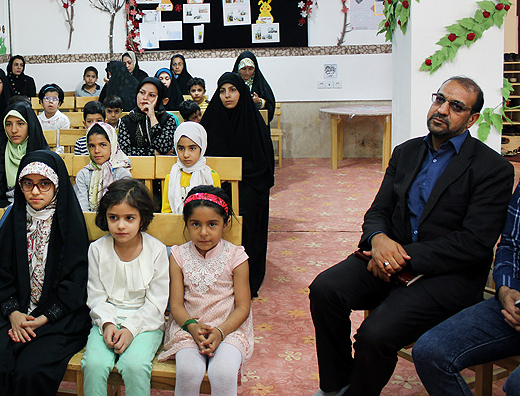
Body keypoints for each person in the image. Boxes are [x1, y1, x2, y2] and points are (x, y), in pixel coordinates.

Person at [307, 76, 514, 396]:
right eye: (439, 99)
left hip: (447, 276)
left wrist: (400, 256)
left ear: (472, 119)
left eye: (456, 106)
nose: (442, 109)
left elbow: (474, 242)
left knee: (375, 335)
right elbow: (378, 211)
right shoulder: (406, 152)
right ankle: (336, 387)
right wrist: (378, 239)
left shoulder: (492, 168)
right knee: (325, 290)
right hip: (388, 256)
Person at [0, 150, 90, 396]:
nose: (35, 191)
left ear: (57, 185)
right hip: (13, 309)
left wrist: (44, 317)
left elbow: (76, 282)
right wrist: (13, 312)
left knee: (31, 371)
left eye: (44, 184)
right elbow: (1, 273)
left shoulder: (69, 222)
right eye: (27, 183)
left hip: (58, 316)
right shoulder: (13, 219)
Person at [413, 180, 520, 395]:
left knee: (515, 386)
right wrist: (506, 289)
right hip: (514, 305)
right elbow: (510, 245)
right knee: (430, 352)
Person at [158, 186, 253, 396]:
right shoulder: (178, 256)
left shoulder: (236, 256)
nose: (203, 232)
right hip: (188, 327)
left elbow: (243, 307)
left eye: (212, 224)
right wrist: (192, 327)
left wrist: (220, 331)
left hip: (229, 328)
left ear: (225, 224)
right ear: (186, 224)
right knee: (189, 372)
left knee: (223, 373)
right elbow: (176, 304)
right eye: (195, 224)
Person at [82, 179, 168, 396]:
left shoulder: (156, 250)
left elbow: (156, 303)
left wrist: (130, 329)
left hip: (146, 323)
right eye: (113, 217)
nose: (121, 225)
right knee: (93, 364)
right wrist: (108, 323)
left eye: (129, 218)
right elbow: (96, 296)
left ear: (142, 218)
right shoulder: (97, 249)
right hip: (106, 320)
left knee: (134, 366)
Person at [201, 72, 274, 298]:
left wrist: (239, 177)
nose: (227, 95)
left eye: (232, 90)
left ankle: (245, 278)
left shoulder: (254, 123)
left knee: (248, 211)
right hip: (217, 185)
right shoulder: (211, 120)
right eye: (222, 91)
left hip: (250, 185)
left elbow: (264, 166)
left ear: (241, 92)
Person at [0, 102, 49, 208]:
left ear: (30, 125)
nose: (14, 130)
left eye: (20, 124)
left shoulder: (42, 155)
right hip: (4, 210)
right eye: (8, 124)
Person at [163, 122, 220, 214]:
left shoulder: (211, 176)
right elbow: (166, 212)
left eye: (192, 148)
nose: (186, 155)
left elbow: (216, 210)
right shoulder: (171, 177)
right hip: (174, 222)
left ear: (202, 148)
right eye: (181, 148)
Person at [74, 122, 132, 211]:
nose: (96, 150)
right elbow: (82, 208)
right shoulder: (83, 175)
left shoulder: (122, 174)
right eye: (92, 146)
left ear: (112, 145)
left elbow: (123, 206)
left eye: (103, 145)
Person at [117, 77, 178, 156]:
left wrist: (152, 117)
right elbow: (124, 151)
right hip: (133, 164)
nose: (145, 98)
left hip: (162, 164)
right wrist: (154, 153)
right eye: (142, 92)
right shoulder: (127, 120)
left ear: (159, 99)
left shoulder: (168, 119)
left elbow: (164, 147)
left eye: (151, 95)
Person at [234, 51, 276, 122]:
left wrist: (259, 102)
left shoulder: (260, 84)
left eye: (251, 69)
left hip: (256, 123)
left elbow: (270, 105)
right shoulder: (232, 83)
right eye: (243, 69)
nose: (247, 72)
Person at [37, 84, 71, 153]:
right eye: (47, 98)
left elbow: (63, 144)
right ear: (41, 102)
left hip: (58, 154)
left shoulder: (64, 120)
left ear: (59, 103)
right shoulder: (37, 120)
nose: (51, 101)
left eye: (54, 99)